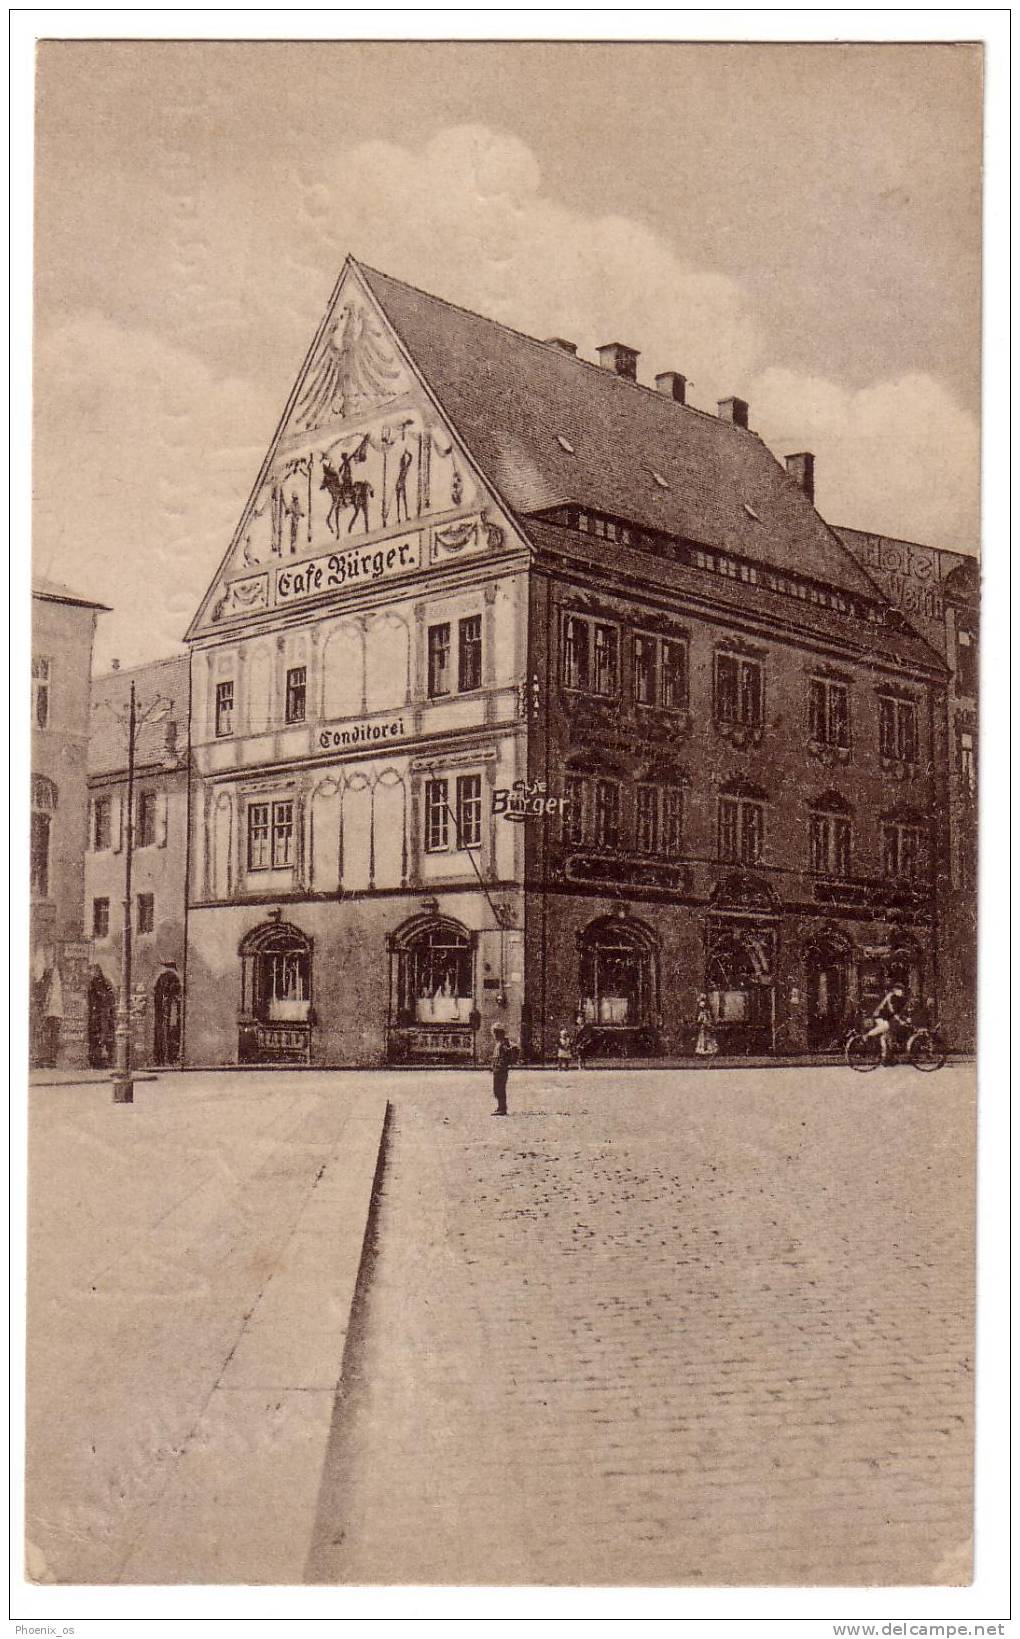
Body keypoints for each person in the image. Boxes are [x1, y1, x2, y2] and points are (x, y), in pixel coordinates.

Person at [865, 984, 910, 1065]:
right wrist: (900, 1020)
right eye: (900, 990)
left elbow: (897, 1012)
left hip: (885, 1018)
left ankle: (886, 1058)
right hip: (879, 1016)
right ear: (895, 990)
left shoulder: (896, 998)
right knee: (886, 1027)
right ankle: (867, 1035)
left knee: (886, 1037)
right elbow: (892, 1011)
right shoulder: (891, 996)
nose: (902, 992)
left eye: (902, 991)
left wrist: (905, 1019)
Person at [491, 1025, 513, 1115]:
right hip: (497, 1069)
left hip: (501, 1070)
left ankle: (502, 1108)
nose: (494, 1035)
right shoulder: (500, 1043)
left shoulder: (503, 1043)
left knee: (499, 1089)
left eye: (495, 1033)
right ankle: (500, 1107)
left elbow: (505, 1055)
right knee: (497, 1089)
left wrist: (500, 1065)